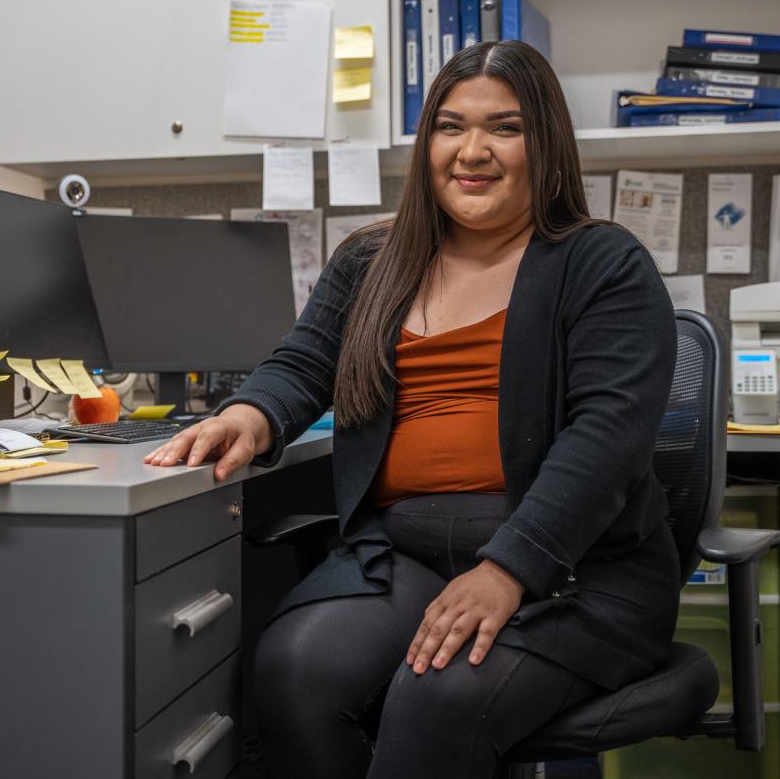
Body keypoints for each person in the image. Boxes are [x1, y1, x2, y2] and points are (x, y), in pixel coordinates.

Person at [144, 40, 679, 779]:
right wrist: (252, 414)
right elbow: (303, 363)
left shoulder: (602, 263)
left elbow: (607, 438)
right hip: (402, 557)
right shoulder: (373, 260)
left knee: (440, 697)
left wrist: (509, 567)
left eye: (506, 128)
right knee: (294, 671)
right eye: (451, 126)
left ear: (547, 143)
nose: (473, 150)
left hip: (575, 570)